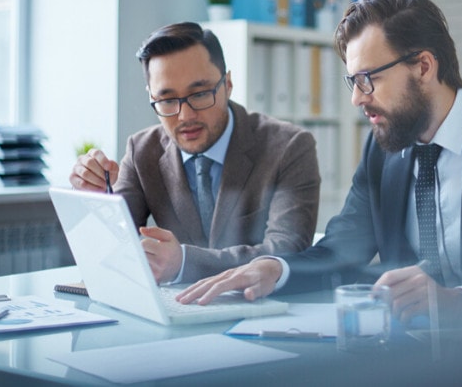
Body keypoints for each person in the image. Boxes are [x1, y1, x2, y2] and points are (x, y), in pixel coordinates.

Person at [175, 0, 462, 327]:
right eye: (352, 82)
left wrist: (461, 302)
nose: (357, 100)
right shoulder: (383, 150)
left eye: (368, 80)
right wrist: (273, 269)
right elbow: (343, 249)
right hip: (405, 357)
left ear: (423, 66)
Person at [69, 22, 320, 284]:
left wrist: (186, 263)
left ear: (228, 84)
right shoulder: (141, 151)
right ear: (152, 97)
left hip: (259, 310)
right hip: (175, 310)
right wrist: (95, 200)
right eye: (167, 100)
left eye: (200, 94)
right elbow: (110, 251)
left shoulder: (290, 147)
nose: (185, 116)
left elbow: (287, 251)